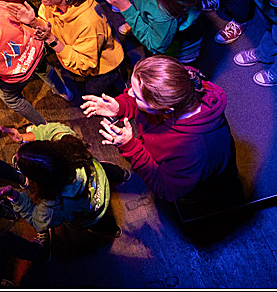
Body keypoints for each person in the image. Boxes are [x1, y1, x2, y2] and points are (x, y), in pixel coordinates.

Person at [83, 55, 235, 203]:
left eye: (137, 96)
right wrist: (120, 106)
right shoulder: (179, 84)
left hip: (199, 187)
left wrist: (131, 147)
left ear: (166, 109)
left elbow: (165, 189)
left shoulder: (194, 152)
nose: (129, 93)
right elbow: (142, 97)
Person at [0, 122, 125, 261]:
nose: (15, 155)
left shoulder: (51, 205)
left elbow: (37, 222)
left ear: (36, 179)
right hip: (100, 181)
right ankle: (123, 175)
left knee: (97, 223)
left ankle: (114, 231)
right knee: (108, 170)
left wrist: (14, 197)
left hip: (91, 215)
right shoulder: (68, 142)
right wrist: (23, 137)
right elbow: (50, 129)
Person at [32, 0, 127, 102]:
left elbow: (84, 62)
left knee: (101, 95)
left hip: (100, 71)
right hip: (75, 64)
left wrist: (52, 40)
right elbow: (46, 22)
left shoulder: (89, 22)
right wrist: (32, 21)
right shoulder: (51, 3)